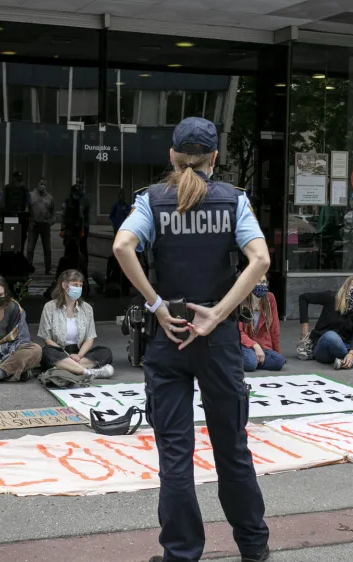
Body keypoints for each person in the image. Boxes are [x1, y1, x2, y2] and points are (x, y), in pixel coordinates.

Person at [113, 117, 271, 562]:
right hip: (216, 338)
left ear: (172, 157)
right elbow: (259, 260)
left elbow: (123, 247)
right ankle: (253, 547)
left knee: (176, 456)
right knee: (231, 448)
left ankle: (181, 553)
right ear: (214, 159)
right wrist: (220, 312)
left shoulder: (151, 201)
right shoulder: (234, 201)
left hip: (169, 335)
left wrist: (156, 305)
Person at [37, 269, 115, 378]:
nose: (78, 288)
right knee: (46, 352)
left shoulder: (87, 308)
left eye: (80, 285)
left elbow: (89, 338)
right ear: (64, 285)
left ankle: (69, 367)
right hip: (59, 351)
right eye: (75, 285)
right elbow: (47, 339)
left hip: (79, 352)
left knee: (105, 352)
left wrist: (79, 355)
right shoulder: (49, 307)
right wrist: (66, 355)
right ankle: (89, 372)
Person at [239, 276, 285, 372]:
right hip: (245, 345)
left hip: (263, 347)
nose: (262, 285)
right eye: (258, 281)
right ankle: (251, 360)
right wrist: (255, 346)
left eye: (264, 282)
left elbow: (274, 329)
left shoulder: (270, 298)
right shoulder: (241, 299)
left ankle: (254, 359)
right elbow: (238, 331)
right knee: (250, 364)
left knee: (279, 361)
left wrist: (277, 352)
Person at [62, 179, 91, 279]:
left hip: (80, 229)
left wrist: (82, 230)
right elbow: (64, 215)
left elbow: (82, 216)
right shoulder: (68, 201)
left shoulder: (84, 200)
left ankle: (83, 269)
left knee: (82, 249)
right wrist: (63, 229)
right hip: (70, 229)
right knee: (68, 249)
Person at [27, 177, 55, 274]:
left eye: (44, 184)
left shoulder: (50, 198)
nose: (43, 186)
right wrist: (29, 222)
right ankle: (28, 268)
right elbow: (27, 209)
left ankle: (48, 269)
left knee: (47, 249)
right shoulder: (31, 195)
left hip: (45, 225)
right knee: (30, 248)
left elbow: (53, 212)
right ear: (37, 184)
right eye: (41, 184)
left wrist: (51, 221)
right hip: (34, 225)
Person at [1, 172, 30, 253]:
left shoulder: (24, 189)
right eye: (18, 179)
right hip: (10, 216)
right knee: (9, 243)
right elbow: (0, 203)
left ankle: (18, 259)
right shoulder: (6, 189)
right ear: (13, 179)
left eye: (20, 179)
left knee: (20, 242)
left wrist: (31, 220)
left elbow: (30, 204)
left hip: (21, 217)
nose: (19, 181)